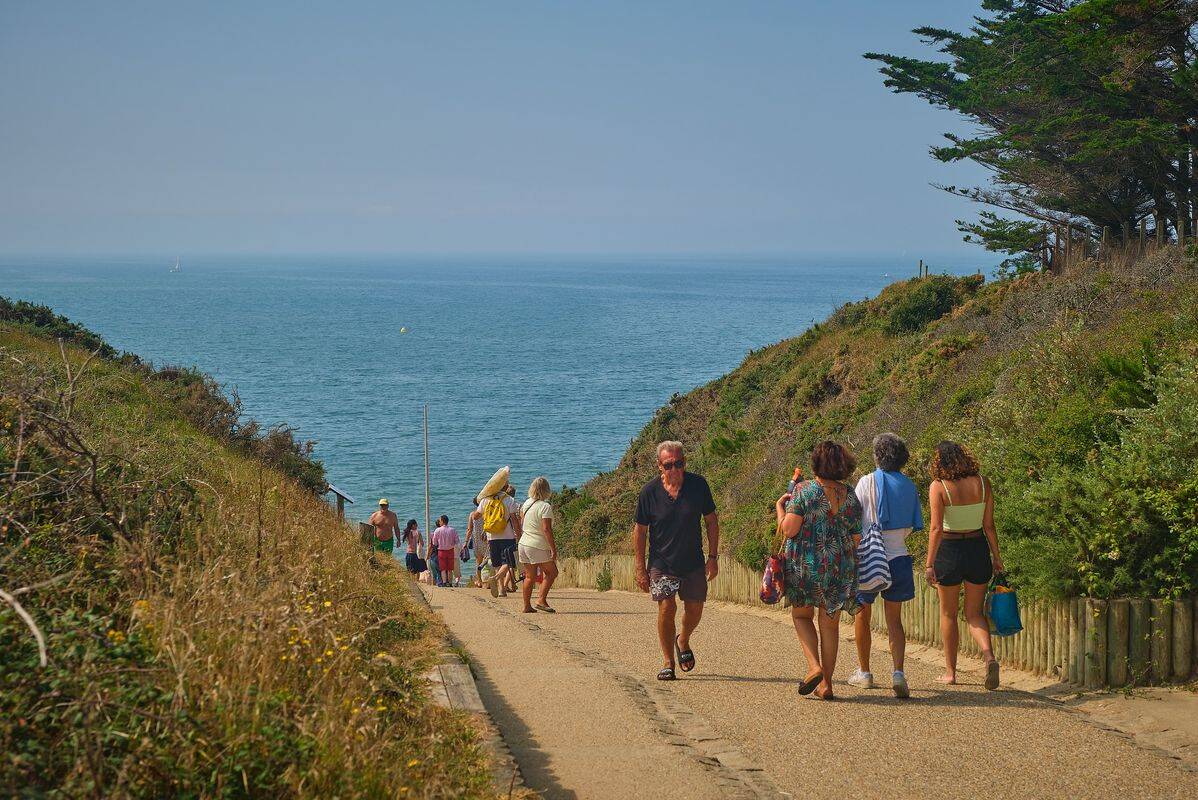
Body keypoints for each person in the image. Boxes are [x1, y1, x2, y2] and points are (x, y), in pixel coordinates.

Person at [775, 441, 862, 700]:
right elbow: (857, 537)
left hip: (806, 566)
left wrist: (781, 508)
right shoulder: (850, 494)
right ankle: (827, 685)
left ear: (816, 464)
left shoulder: (804, 491)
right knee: (830, 626)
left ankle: (814, 667)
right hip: (839, 567)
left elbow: (788, 530)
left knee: (802, 616)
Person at [633, 441, 719, 681]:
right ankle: (668, 661)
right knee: (667, 607)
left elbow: (711, 521)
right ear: (660, 466)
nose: (674, 469)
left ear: (685, 462)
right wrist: (641, 568)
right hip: (662, 563)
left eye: (678, 464)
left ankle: (683, 639)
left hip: (692, 561)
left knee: (695, 609)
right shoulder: (649, 492)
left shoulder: (698, 485)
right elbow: (640, 531)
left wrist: (712, 558)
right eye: (668, 465)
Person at [848, 433, 922, 698]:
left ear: (878, 455)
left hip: (870, 556)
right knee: (894, 620)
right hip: (899, 557)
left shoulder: (867, 481)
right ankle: (898, 672)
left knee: (862, 615)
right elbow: (912, 526)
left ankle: (865, 672)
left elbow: (854, 519)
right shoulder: (910, 486)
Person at [926, 440, 1004, 689]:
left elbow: (936, 528)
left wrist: (929, 563)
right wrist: (996, 557)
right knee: (974, 613)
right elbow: (989, 526)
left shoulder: (939, 487)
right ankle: (989, 656)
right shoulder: (983, 483)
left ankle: (951, 672)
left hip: (949, 550)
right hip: (978, 546)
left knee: (948, 614)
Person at [470, 481, 522, 598]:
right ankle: (496, 578)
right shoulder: (509, 500)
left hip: (492, 537)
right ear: (505, 488)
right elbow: (514, 521)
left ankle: (502, 590)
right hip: (508, 536)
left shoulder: (486, 500)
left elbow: (475, 516)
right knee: (508, 562)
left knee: (497, 563)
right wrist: (519, 536)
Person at [518, 476, 559, 613]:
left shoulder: (526, 504)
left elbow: (523, 523)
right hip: (536, 544)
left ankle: (526, 606)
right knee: (552, 572)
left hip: (523, 543)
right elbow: (546, 529)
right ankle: (541, 600)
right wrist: (553, 549)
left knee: (530, 576)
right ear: (546, 490)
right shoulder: (545, 506)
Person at [430, 515, 460, 588]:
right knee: (450, 568)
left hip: (441, 551)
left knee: (443, 568)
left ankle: (444, 583)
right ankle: (449, 583)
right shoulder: (452, 530)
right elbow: (457, 541)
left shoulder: (437, 530)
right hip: (450, 550)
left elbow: (434, 543)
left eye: (440, 521)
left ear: (442, 521)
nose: (439, 522)